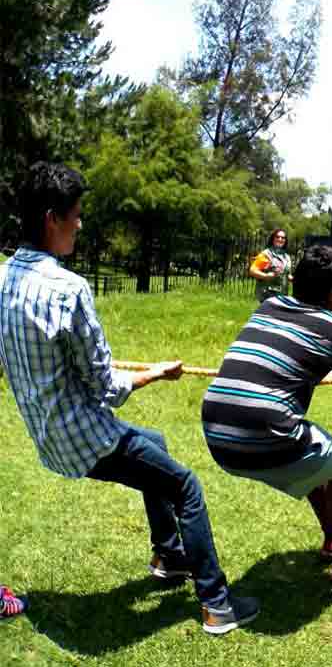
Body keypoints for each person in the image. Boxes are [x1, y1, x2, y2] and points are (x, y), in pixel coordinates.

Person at [0, 162, 258, 636]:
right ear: (52, 218)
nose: (80, 224)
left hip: (48, 439)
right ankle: (217, 605)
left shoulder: (2, 280)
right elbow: (105, 388)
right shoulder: (69, 290)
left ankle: (168, 556)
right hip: (84, 438)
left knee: (154, 443)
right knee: (186, 487)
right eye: (75, 215)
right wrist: (156, 374)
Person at [202, 245, 332, 584]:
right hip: (264, 433)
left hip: (216, 435)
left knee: (318, 463)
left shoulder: (269, 305)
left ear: (295, 281)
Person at [249, 228, 292, 302]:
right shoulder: (266, 254)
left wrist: (294, 279)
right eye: (277, 237)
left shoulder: (286, 257)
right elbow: (252, 270)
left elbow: (286, 274)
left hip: (282, 296)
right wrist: (266, 276)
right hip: (267, 296)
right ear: (273, 239)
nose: (280, 239)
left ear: (285, 240)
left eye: (283, 238)